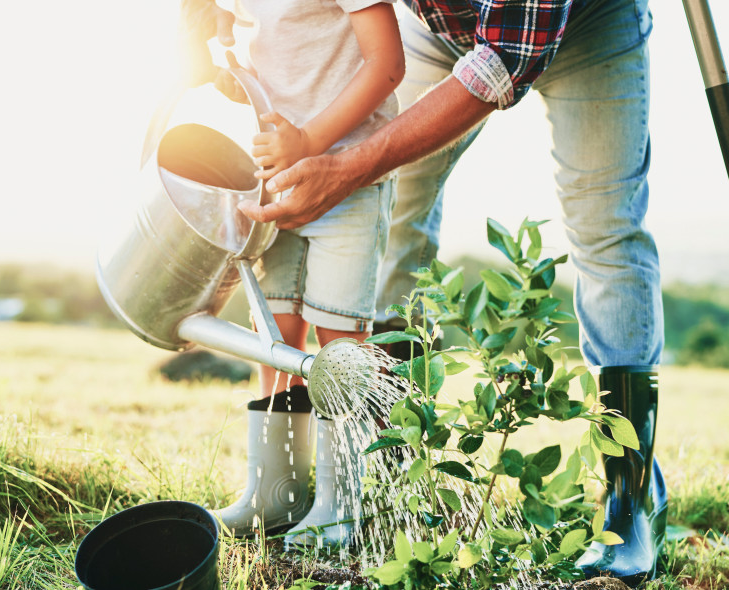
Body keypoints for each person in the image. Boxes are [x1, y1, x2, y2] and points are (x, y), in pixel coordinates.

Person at [235, 0, 666, 584]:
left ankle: (630, 497)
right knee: (398, 191)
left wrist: (349, 168)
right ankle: (379, 467)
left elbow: (503, 58)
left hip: (586, 21)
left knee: (606, 228)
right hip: (440, 26)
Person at [177, 0, 405, 548]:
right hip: (278, 181)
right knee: (274, 334)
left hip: (351, 178)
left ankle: (341, 504)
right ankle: (274, 491)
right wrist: (237, 78)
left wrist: (309, 139)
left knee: (339, 345)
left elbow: (388, 63)